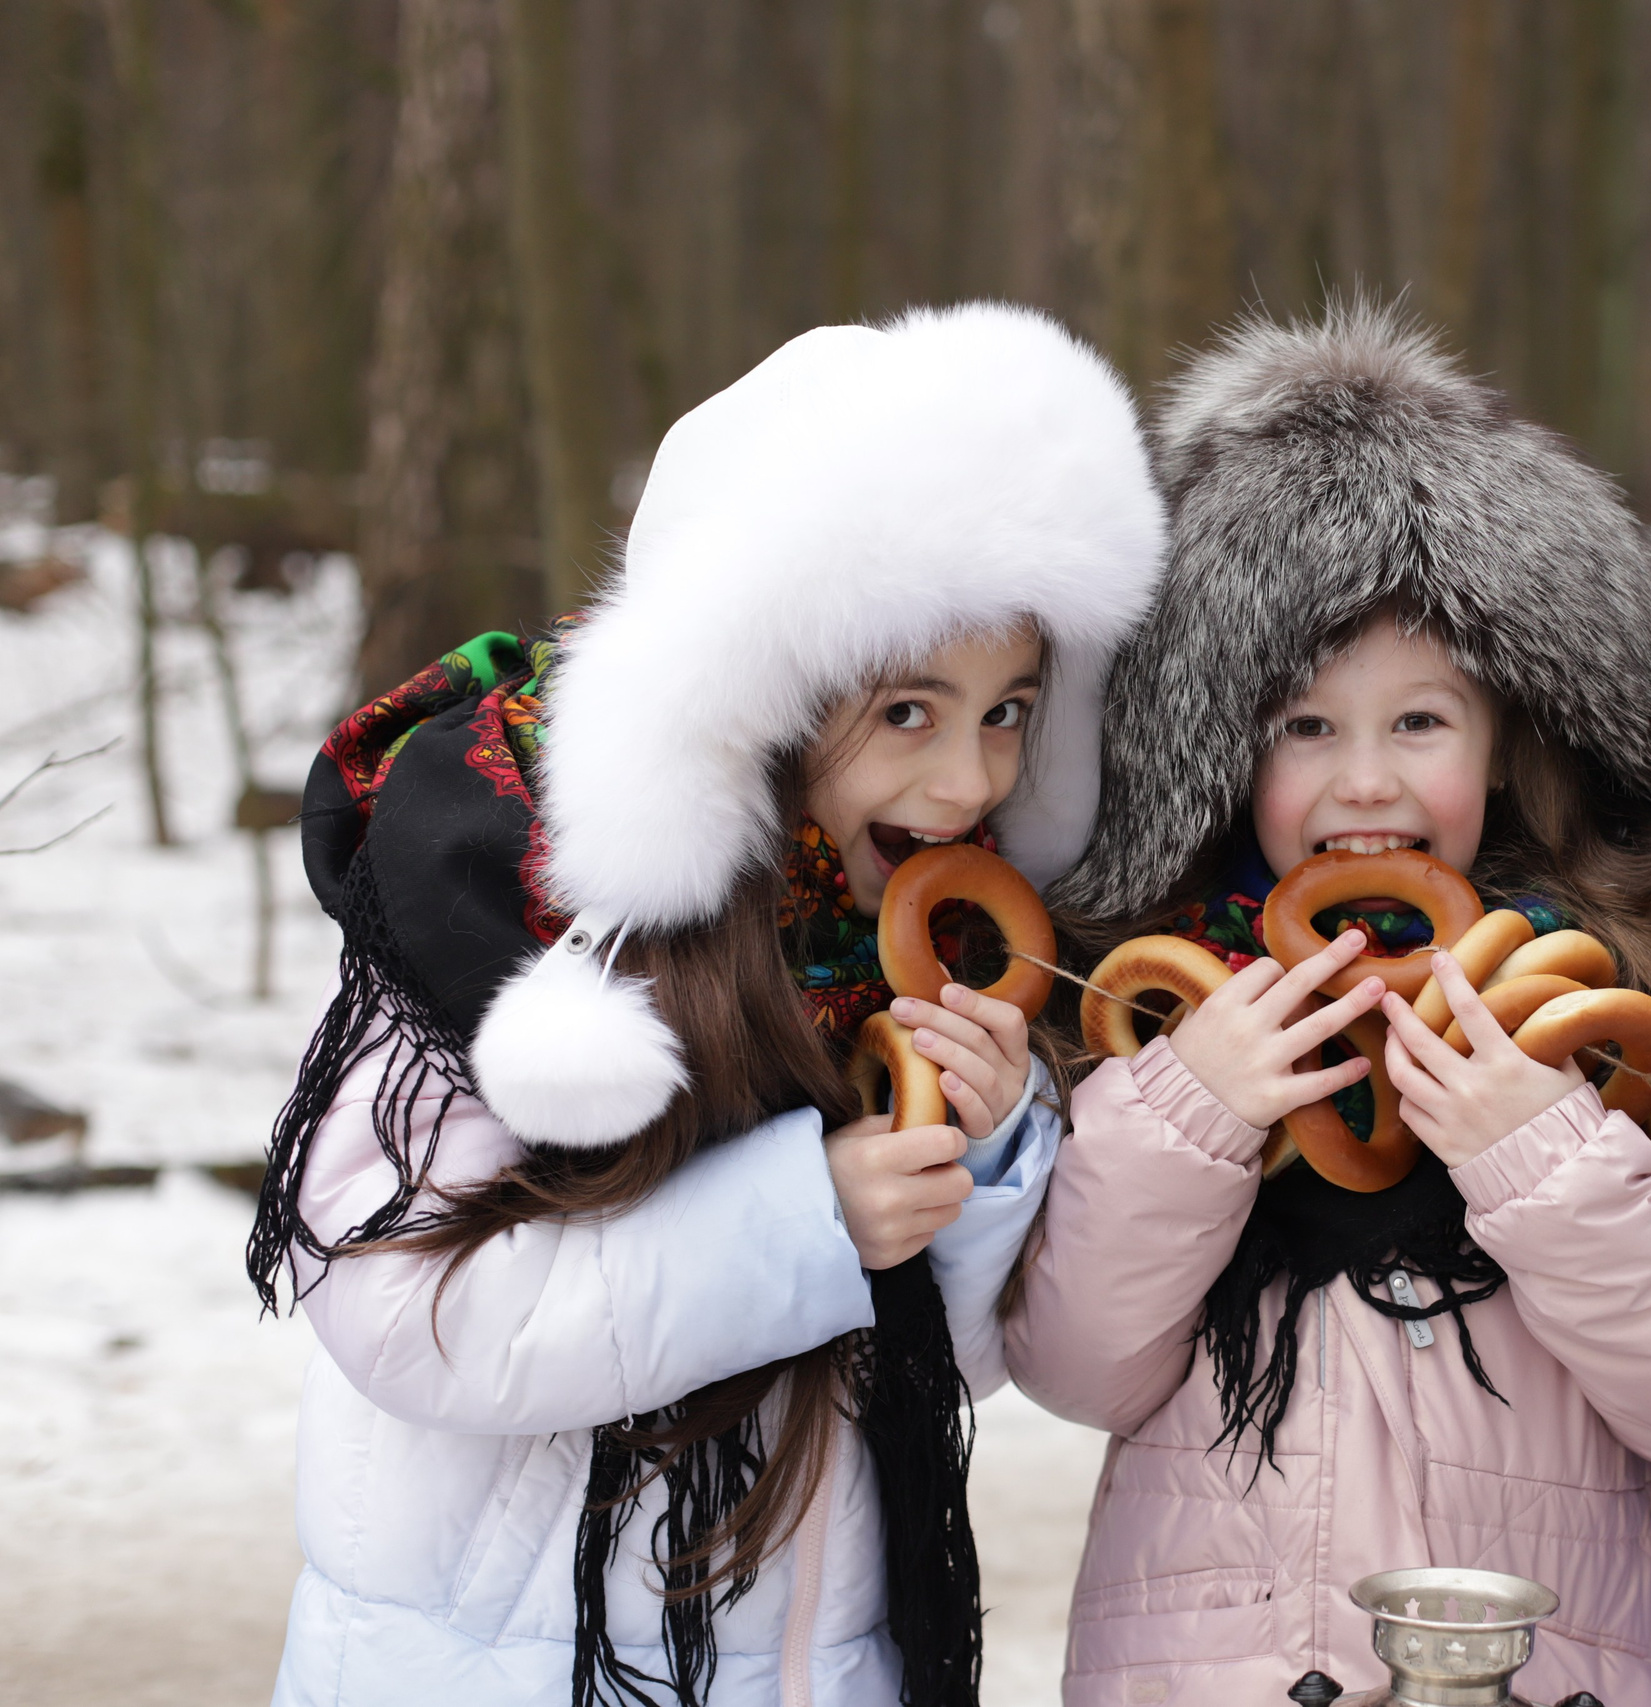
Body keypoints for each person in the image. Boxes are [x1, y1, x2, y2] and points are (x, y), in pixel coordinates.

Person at [249, 303, 1165, 1707]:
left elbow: (935, 1376)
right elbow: (408, 1317)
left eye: (1009, 711)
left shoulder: (902, 953)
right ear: (760, 691)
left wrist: (975, 1171)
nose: (973, 783)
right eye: (911, 712)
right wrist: (809, 1219)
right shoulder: (499, 915)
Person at [1010, 304, 1651, 1707]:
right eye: (1305, 729)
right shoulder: (1153, 1017)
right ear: (1215, 761)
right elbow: (1075, 1364)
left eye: (1420, 724)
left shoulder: (1625, 1013)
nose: (1366, 782)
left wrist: (1540, 1149)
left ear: (1507, 745)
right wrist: (1195, 1111)